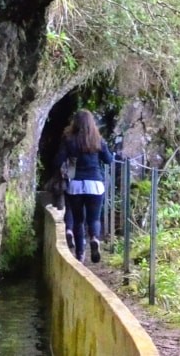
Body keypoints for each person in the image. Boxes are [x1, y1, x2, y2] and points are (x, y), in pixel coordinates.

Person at [54, 109, 115, 263]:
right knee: (94, 219)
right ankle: (94, 238)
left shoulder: (69, 140)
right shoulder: (98, 140)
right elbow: (108, 160)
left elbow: (57, 160)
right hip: (94, 184)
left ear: (75, 123)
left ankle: (80, 255)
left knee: (78, 220)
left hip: (75, 185)